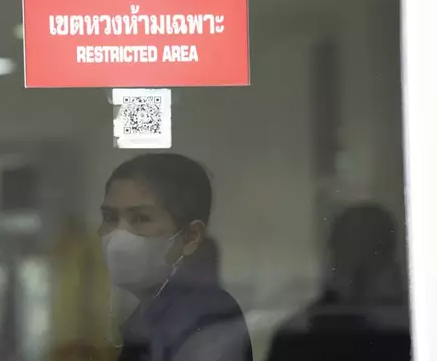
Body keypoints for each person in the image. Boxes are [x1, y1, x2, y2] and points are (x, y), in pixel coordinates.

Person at [99, 153, 253, 361]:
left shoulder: (209, 322)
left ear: (191, 237)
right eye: (110, 217)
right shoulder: (144, 315)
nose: (118, 237)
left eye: (141, 218)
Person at [266, 203, 411, 361]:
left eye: (374, 250)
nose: (361, 265)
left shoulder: (414, 332)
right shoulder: (295, 338)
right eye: (352, 250)